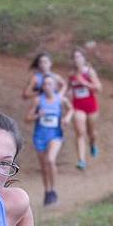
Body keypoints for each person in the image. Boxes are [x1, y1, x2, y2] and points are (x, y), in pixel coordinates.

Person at [28, 74, 72, 206]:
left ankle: (53, 190)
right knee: (43, 166)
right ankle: (47, 192)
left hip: (55, 135)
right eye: (45, 84)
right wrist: (37, 115)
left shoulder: (61, 99)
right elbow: (27, 118)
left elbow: (71, 109)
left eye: (50, 84)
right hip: (40, 136)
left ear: (55, 86)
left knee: (51, 160)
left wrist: (67, 118)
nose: (47, 86)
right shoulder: (38, 100)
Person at [67, 48, 102, 170]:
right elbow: (69, 89)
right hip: (78, 106)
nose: (76, 59)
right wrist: (68, 95)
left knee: (91, 133)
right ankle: (81, 160)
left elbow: (98, 88)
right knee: (80, 133)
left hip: (91, 106)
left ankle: (93, 143)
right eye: (74, 57)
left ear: (84, 58)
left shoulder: (89, 72)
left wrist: (85, 83)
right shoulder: (71, 75)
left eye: (79, 57)